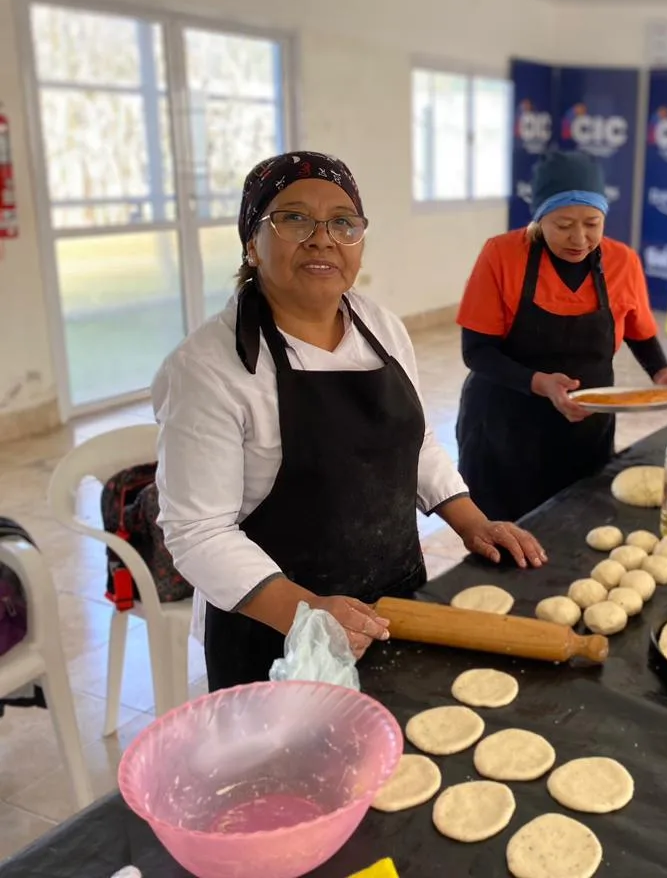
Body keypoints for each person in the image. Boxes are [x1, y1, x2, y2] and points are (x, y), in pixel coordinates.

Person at [153, 151, 545, 692]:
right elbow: (198, 532)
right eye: (293, 218)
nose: (322, 238)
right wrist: (309, 613)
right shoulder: (207, 368)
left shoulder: (379, 325)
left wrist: (472, 521)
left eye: (343, 222)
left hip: (396, 604)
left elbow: (414, 440)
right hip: (277, 633)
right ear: (251, 241)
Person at [455, 151, 667, 521]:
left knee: (577, 530)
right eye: (563, 224)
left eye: (592, 223)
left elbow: (639, 332)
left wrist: (662, 374)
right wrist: (540, 383)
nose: (579, 238)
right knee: (504, 538)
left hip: (585, 428)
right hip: (505, 428)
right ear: (539, 219)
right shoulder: (502, 255)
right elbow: (477, 351)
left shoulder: (623, 261)